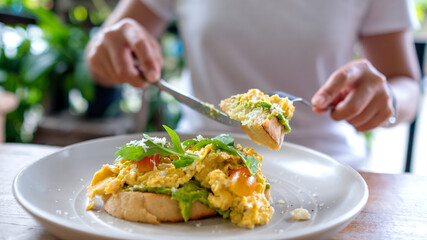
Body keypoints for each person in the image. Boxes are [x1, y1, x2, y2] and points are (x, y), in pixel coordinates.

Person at [85, 0, 421, 169]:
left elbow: (407, 86)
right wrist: (106, 52)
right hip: (200, 157)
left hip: (331, 167)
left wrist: (387, 98)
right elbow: (99, 56)